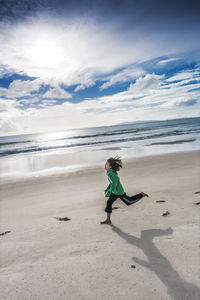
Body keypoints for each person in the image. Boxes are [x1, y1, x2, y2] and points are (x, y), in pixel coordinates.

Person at [100, 155, 149, 224]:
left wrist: (108, 192)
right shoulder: (109, 172)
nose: (105, 165)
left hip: (119, 192)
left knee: (129, 201)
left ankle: (141, 195)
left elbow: (114, 184)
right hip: (114, 191)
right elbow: (111, 183)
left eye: (106, 164)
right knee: (109, 203)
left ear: (110, 166)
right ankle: (108, 219)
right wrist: (107, 189)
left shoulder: (110, 173)